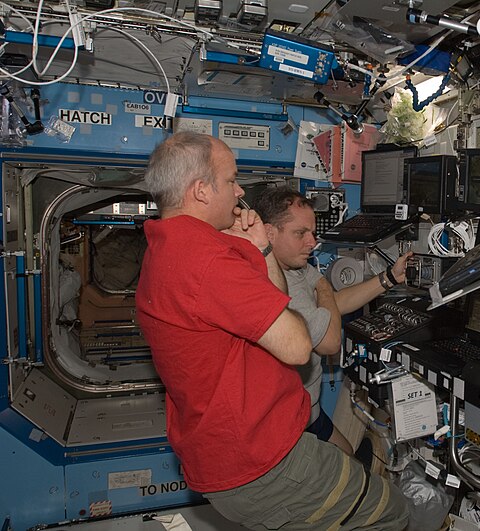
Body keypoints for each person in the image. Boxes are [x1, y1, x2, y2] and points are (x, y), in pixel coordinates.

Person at [136, 132, 408, 530]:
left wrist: (262, 251)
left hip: (229, 457)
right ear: (200, 191)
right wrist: (319, 290)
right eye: (231, 180)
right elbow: (299, 347)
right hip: (266, 462)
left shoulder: (166, 250)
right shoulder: (207, 260)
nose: (239, 190)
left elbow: (273, 304)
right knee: (392, 513)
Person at [253, 187, 411, 455]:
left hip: (307, 410)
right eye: (300, 233)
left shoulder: (292, 264)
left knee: (349, 455)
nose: (311, 242)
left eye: (312, 232)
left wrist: (390, 278)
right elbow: (330, 342)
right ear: (269, 233)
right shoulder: (279, 281)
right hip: (289, 423)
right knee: (347, 470)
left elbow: (331, 307)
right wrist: (323, 284)